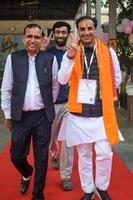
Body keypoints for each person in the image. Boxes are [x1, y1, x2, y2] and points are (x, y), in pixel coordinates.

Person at [58, 16, 122, 200]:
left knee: (104, 153)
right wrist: (70, 59)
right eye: (82, 29)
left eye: (89, 28)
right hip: (79, 114)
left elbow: (116, 79)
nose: (86, 32)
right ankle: (88, 189)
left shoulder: (109, 52)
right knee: (84, 155)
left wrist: (102, 89)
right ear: (78, 31)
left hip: (102, 112)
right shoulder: (71, 51)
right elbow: (62, 79)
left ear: (95, 29)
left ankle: (101, 187)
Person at [1, 23, 59, 200]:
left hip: (43, 116)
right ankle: (26, 173)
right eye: (29, 36)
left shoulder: (50, 59)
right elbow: (6, 89)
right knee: (16, 156)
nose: (33, 40)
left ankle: (37, 195)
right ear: (24, 38)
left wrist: (49, 104)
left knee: (41, 159)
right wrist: (8, 115)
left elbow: (55, 86)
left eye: (37, 37)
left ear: (42, 39)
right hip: (21, 116)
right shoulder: (14, 58)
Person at [43, 21, 74, 191]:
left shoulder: (73, 53)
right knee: (51, 139)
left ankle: (66, 175)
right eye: (57, 32)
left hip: (70, 104)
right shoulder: (47, 53)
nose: (60, 35)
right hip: (51, 103)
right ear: (54, 34)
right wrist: (42, 50)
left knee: (69, 141)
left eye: (63, 32)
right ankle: (53, 155)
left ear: (68, 34)